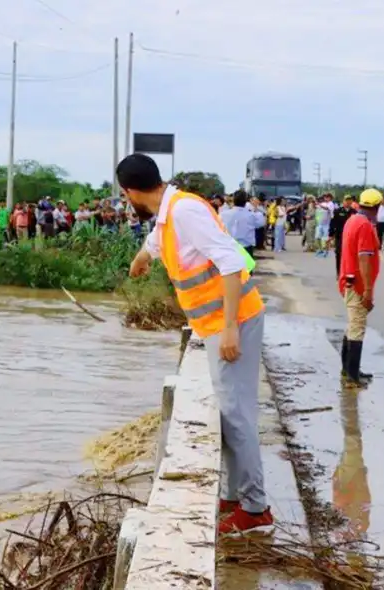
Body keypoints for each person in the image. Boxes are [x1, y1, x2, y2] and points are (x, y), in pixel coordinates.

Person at [118, 153, 272, 537]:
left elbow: (230, 264)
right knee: (230, 411)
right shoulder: (169, 214)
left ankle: (255, 509)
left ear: (130, 191)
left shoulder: (184, 211)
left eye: (125, 197)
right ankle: (235, 497)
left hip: (232, 322)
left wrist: (232, 328)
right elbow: (154, 244)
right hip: (217, 324)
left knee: (238, 415)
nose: (126, 202)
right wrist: (139, 261)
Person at [338, 189, 382, 386]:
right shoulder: (364, 225)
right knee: (357, 327)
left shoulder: (353, 220)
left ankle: (348, 370)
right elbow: (364, 258)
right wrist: (368, 290)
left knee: (351, 326)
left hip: (347, 279)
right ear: (376, 207)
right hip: (357, 283)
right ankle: (352, 377)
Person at [220, 190, 264, 259]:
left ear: (233, 200)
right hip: (246, 248)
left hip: (229, 247)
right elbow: (260, 223)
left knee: (231, 269)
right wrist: (256, 208)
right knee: (246, 269)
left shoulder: (223, 215)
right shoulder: (252, 215)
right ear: (246, 201)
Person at [330, 195, 355, 278]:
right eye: (346, 200)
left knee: (350, 255)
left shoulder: (354, 212)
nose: (348, 202)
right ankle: (339, 273)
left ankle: (348, 272)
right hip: (340, 236)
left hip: (351, 237)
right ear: (343, 201)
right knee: (339, 254)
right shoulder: (337, 211)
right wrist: (331, 235)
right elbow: (332, 223)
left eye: (349, 200)